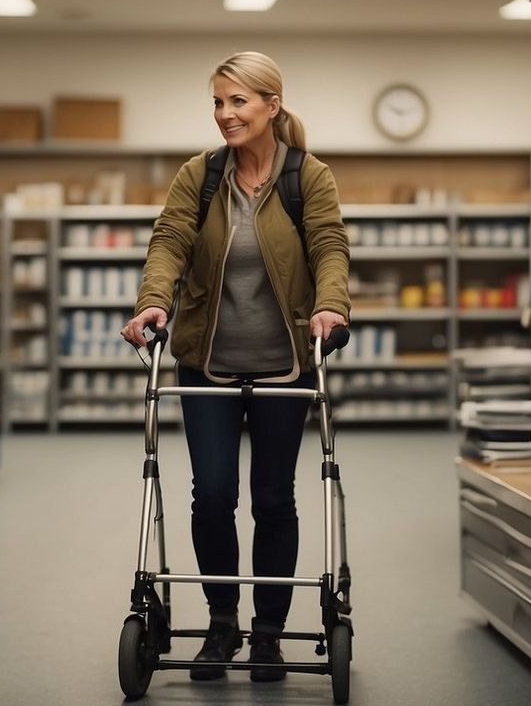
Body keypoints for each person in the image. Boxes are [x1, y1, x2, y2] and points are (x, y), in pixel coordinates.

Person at [121, 51, 350, 683]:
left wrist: (330, 307)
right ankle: (222, 624)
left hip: (285, 365)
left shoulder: (309, 177)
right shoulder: (201, 174)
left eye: (238, 101)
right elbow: (169, 241)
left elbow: (329, 246)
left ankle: (269, 635)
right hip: (209, 363)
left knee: (274, 498)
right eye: (218, 102)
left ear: (272, 105)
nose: (225, 114)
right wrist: (152, 301)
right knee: (213, 492)